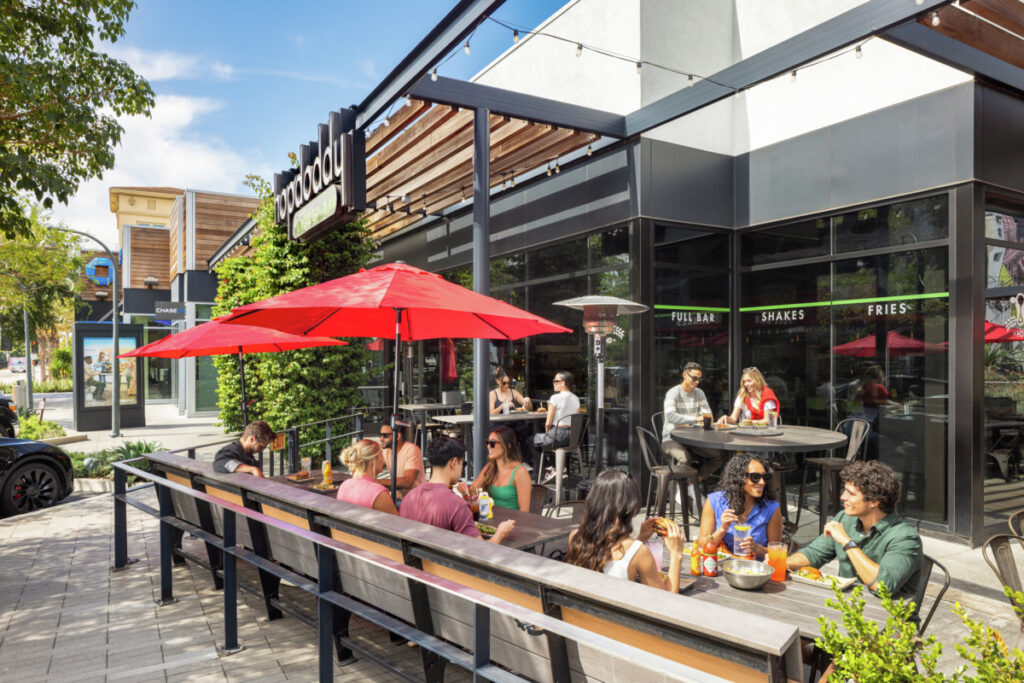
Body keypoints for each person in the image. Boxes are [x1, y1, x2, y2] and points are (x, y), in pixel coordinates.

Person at [787, 461, 923, 617]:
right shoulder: (845, 519)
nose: (842, 497)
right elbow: (814, 554)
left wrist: (847, 542)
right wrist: (782, 564)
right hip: (847, 612)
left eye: (851, 493)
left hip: (890, 625)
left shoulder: (905, 537)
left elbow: (882, 586)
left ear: (874, 501)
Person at [566, 469, 685, 592]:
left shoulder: (575, 536)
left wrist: (640, 539)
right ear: (631, 508)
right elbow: (667, 601)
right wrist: (676, 554)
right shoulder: (640, 552)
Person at [400, 435, 515, 544]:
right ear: (454, 463)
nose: (462, 469)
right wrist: (500, 533)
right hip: (445, 564)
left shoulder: (408, 498)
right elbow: (481, 551)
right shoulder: (456, 506)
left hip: (415, 563)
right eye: (463, 464)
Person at [698, 454, 782, 558]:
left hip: (755, 570)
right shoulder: (714, 502)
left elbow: (778, 553)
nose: (762, 482)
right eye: (755, 477)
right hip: (720, 568)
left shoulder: (771, 508)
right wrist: (722, 530)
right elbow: (702, 544)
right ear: (739, 478)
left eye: (765, 477)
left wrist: (757, 549)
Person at [661, 362, 721, 479]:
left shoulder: (699, 393)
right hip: (671, 439)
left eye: (699, 379)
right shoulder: (673, 393)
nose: (697, 382)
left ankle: (693, 483)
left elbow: (708, 416)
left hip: (692, 440)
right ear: (684, 374)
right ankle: (678, 493)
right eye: (694, 378)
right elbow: (670, 416)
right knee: (685, 459)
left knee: (718, 457)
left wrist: (703, 419)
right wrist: (696, 419)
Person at [526, 371, 580, 472]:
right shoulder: (576, 398)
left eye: (556, 381)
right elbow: (575, 418)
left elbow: (548, 423)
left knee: (530, 440)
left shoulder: (555, 398)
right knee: (548, 439)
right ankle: (558, 469)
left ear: (563, 383)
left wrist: (547, 433)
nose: (553, 383)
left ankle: (550, 468)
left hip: (558, 436)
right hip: (572, 437)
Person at [470, 426, 531, 511]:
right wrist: (464, 490)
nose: (488, 446)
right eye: (487, 442)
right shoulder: (490, 467)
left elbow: (524, 511)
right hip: (492, 520)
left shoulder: (519, 472)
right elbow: (473, 489)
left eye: (492, 443)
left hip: (512, 522)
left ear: (508, 445)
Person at [336, 439, 398, 515]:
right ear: (373, 460)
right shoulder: (379, 493)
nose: (383, 460)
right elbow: (397, 525)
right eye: (381, 455)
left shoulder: (344, 485)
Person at [377, 421, 425, 497]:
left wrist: (378, 481)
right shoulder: (386, 451)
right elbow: (375, 467)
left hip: (416, 499)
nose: (381, 439)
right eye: (380, 435)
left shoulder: (411, 450)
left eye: (385, 435)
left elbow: (407, 482)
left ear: (397, 436)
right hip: (399, 497)